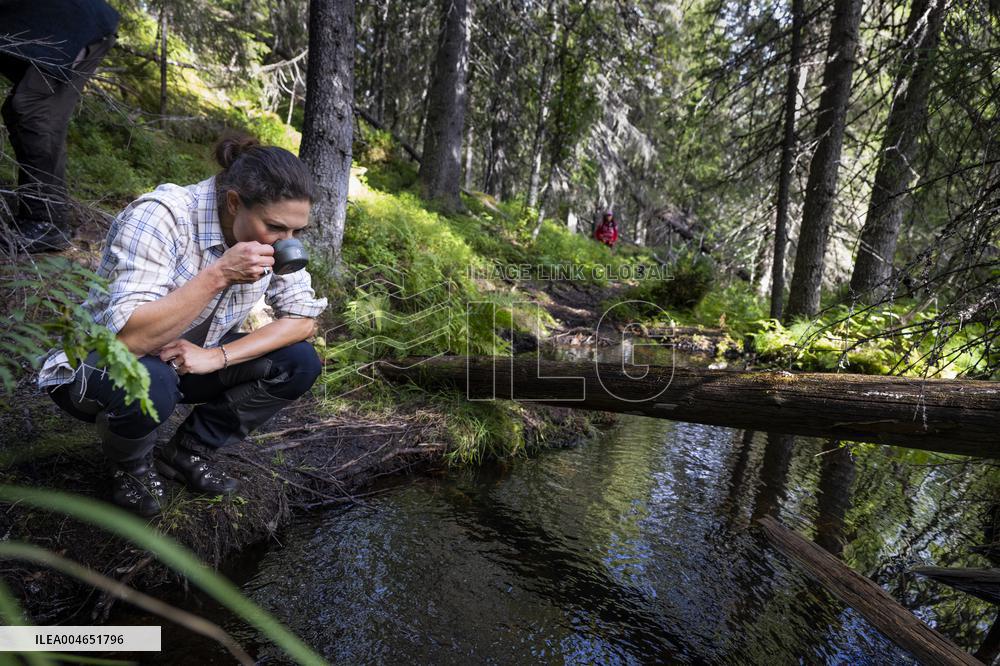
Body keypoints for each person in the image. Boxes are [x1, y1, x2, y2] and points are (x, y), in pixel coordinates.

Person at [37, 134, 327, 517]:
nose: (285, 242)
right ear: (234, 202)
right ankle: (131, 468)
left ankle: (187, 453)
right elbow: (132, 340)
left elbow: (302, 321)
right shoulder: (161, 216)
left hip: (183, 364)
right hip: (99, 367)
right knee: (152, 379)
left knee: (300, 361)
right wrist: (219, 274)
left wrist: (215, 356)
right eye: (276, 228)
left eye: (296, 232)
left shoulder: (271, 241)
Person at [0, 0, 119, 253]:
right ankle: (39, 211)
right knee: (26, 111)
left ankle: (46, 222)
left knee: (34, 112)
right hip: (65, 27)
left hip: (73, 25)